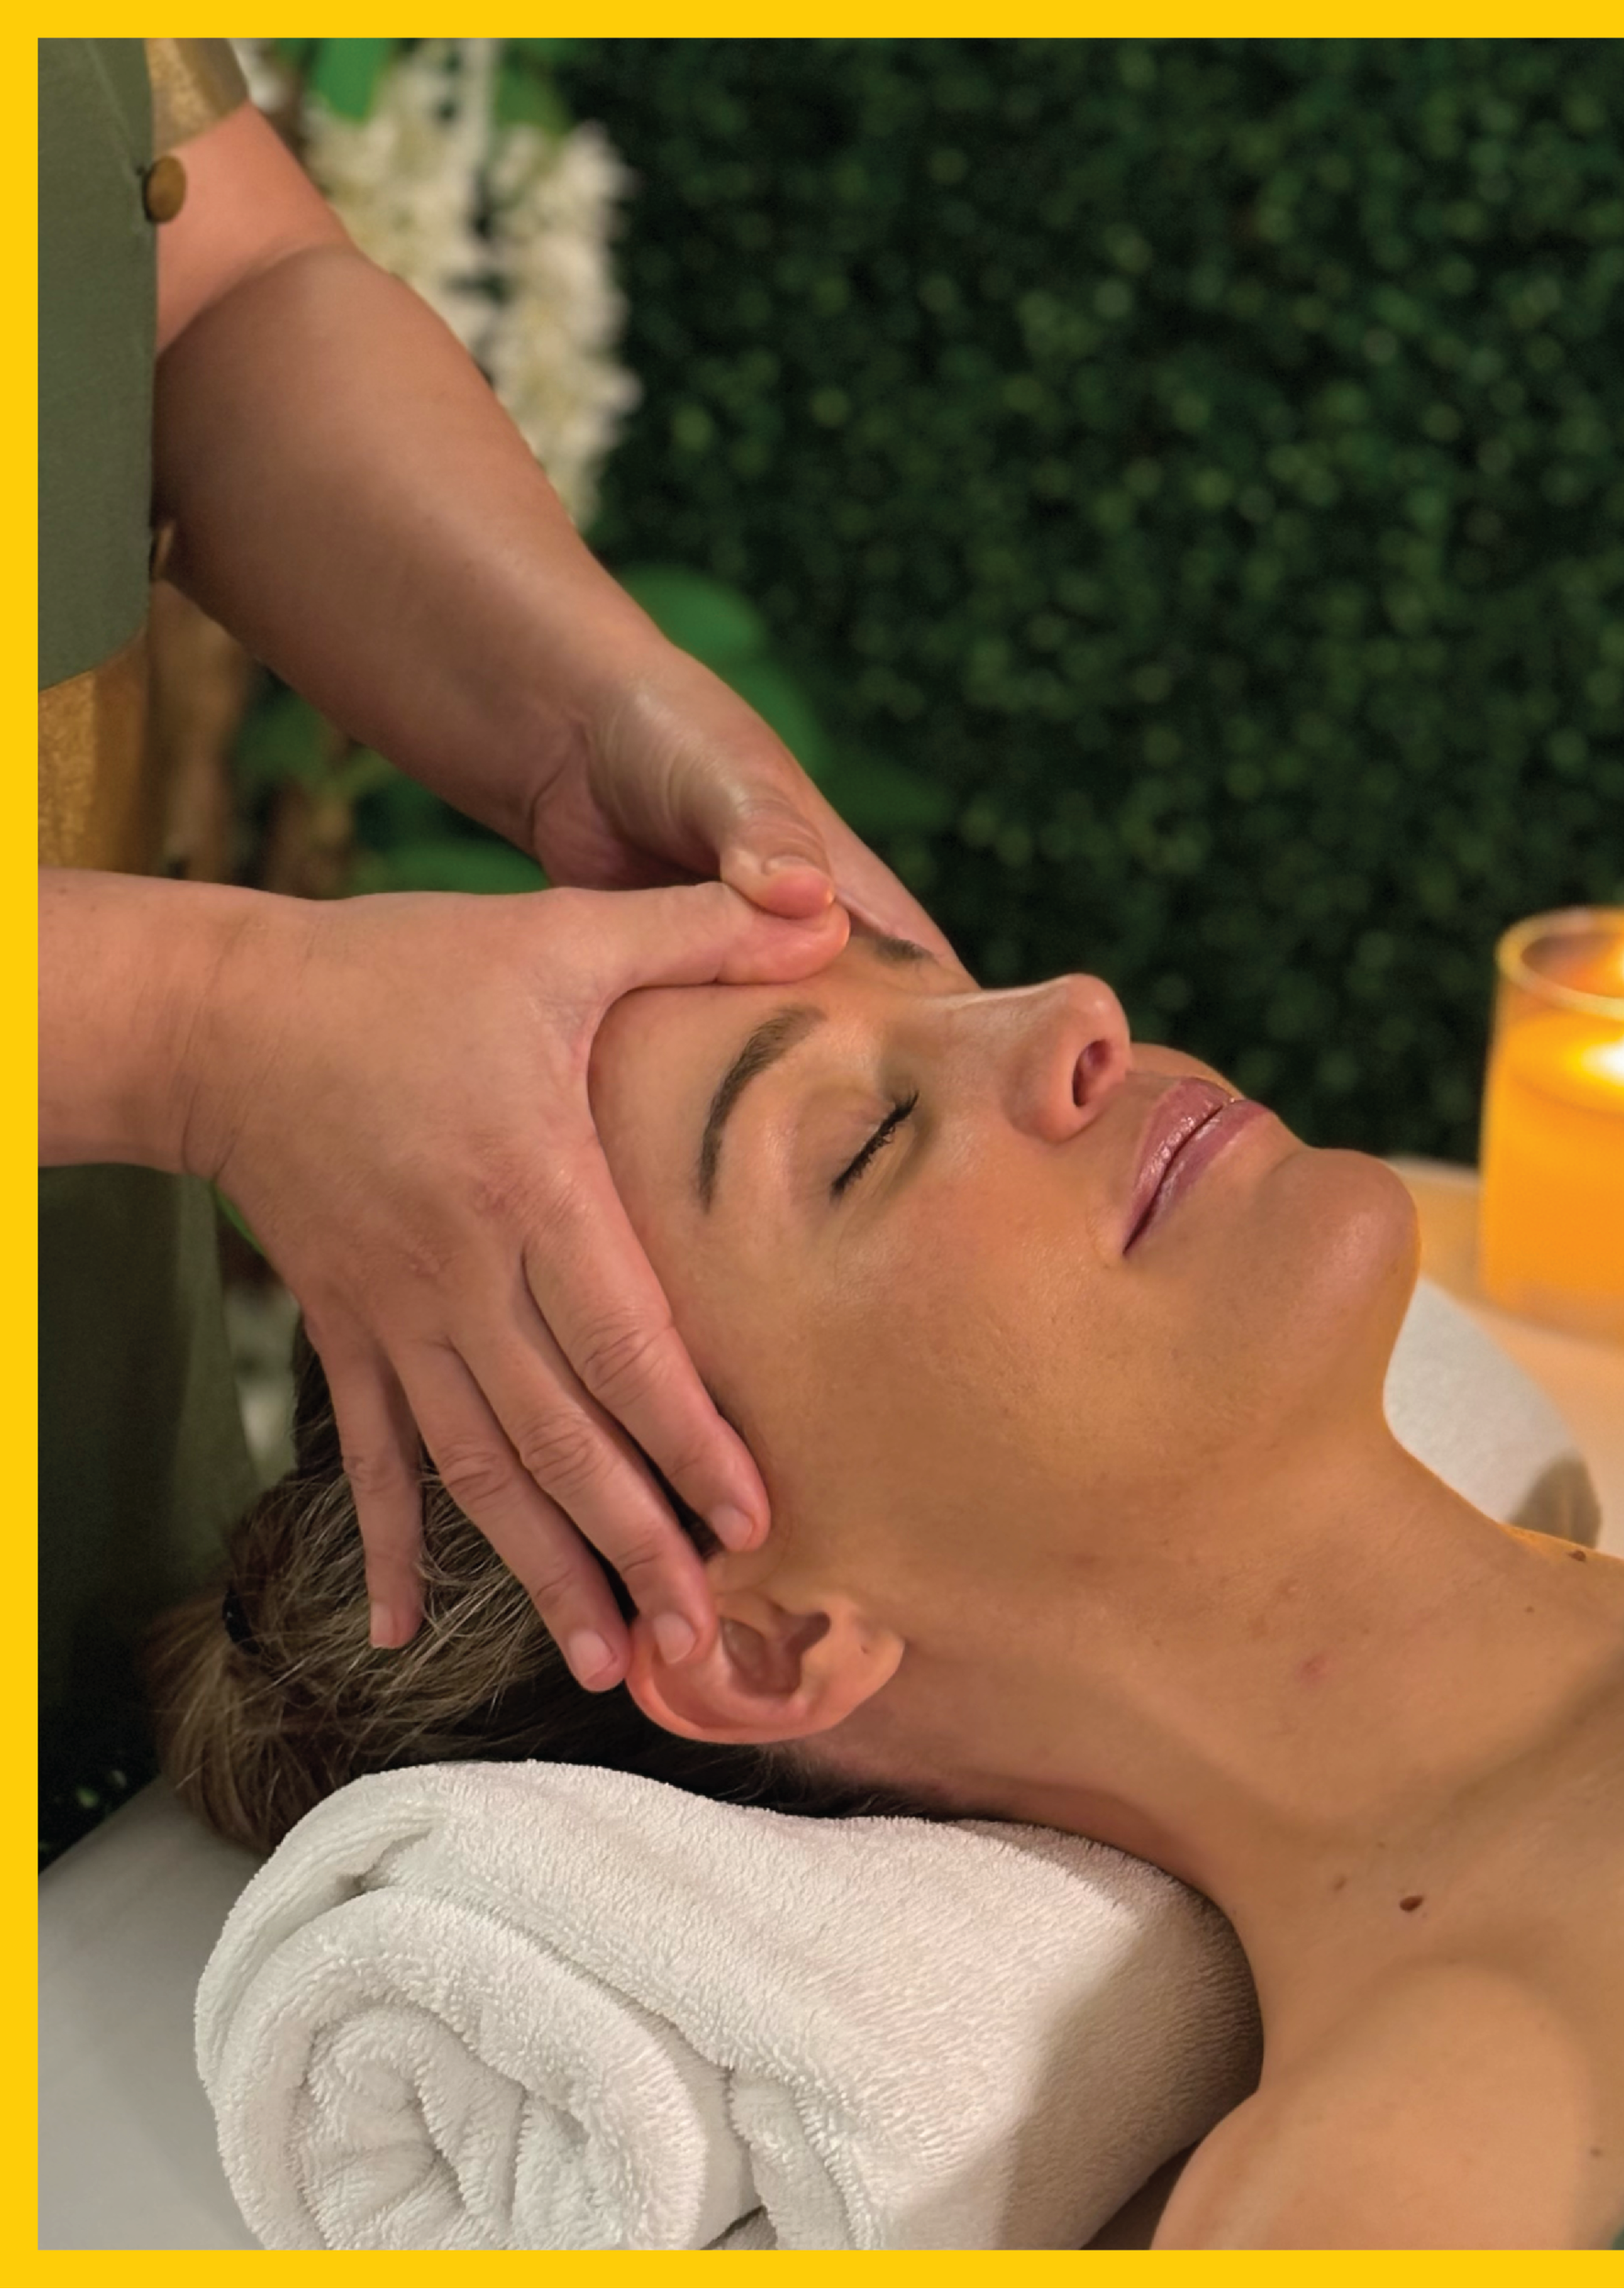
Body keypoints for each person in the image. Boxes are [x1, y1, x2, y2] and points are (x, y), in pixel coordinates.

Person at [150, 933, 1624, 2250]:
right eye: (866, 1136)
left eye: (931, 975)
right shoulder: (1400, 2192)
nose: (1070, 1016)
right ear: (767, 1635)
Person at [38, 37, 947, 1833]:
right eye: (860, 1147)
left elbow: (205, 277)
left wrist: (586, 703)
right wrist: (193, 1022)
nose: (1087, 1007)